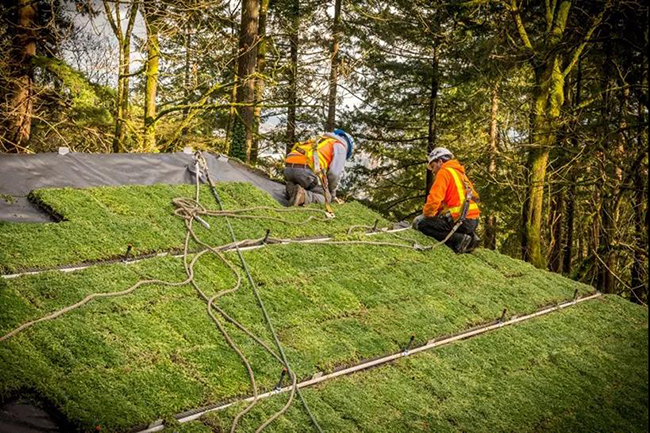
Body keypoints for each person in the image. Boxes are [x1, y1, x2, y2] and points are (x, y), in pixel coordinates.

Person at [412, 147, 481, 253]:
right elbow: (474, 196)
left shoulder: (444, 172)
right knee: (445, 220)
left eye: (433, 166)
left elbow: (434, 199)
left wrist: (426, 215)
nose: (433, 171)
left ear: (440, 161)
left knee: (422, 224)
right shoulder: (460, 173)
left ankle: (459, 239)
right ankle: (471, 238)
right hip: (473, 220)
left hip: (461, 220)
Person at [284, 129, 354, 206]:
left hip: (288, 168)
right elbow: (334, 174)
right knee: (327, 198)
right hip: (304, 171)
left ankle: (292, 189)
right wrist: (332, 194)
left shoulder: (321, 140)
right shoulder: (340, 146)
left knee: (309, 184)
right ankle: (303, 196)